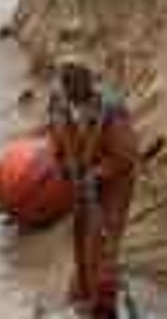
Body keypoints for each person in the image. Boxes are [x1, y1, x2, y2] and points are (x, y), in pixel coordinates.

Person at [46, 59, 140, 319]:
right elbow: (56, 135)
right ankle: (83, 296)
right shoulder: (59, 102)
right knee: (80, 237)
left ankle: (103, 306)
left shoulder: (112, 110)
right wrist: (61, 162)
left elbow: (126, 156)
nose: (69, 89)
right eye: (66, 82)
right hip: (81, 181)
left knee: (102, 243)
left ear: (87, 83)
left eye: (75, 83)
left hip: (113, 187)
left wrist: (97, 174)